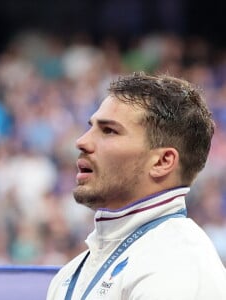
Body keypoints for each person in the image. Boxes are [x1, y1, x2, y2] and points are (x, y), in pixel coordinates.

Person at [47, 72, 226, 299]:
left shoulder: (178, 267)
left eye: (109, 131)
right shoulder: (70, 274)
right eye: (91, 127)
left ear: (162, 162)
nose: (82, 141)